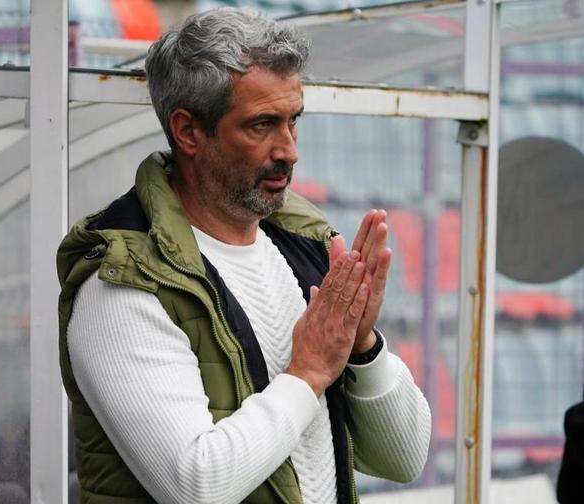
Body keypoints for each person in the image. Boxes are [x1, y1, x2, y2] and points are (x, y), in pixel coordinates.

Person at [57, 8, 431, 504]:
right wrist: (309, 371)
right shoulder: (122, 284)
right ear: (188, 131)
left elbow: (402, 460)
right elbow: (197, 485)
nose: (289, 150)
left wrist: (361, 345)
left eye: (293, 121)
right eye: (262, 125)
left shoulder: (305, 248)